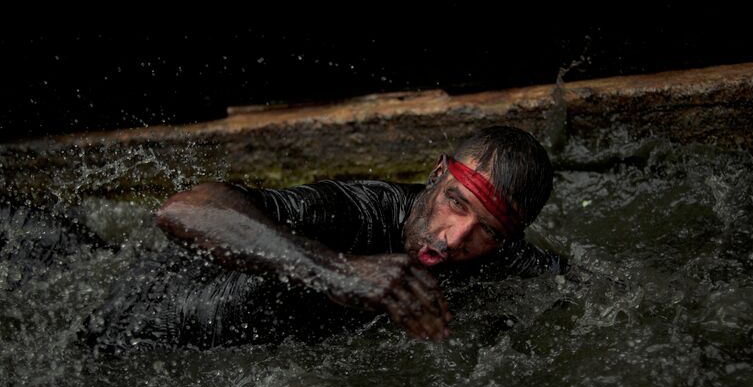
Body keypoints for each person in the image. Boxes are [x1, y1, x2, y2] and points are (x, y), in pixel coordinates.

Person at [82, 125, 567, 355]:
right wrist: (338, 270)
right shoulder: (359, 210)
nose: (454, 238)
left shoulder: (502, 257)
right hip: (127, 324)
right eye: (456, 203)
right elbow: (183, 209)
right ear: (437, 174)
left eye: (487, 229)